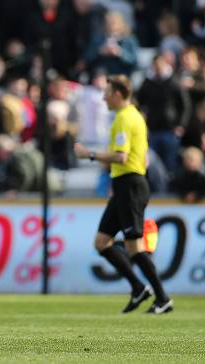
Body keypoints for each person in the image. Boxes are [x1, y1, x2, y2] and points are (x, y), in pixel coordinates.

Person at [74, 75, 173, 314]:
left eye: (106, 92)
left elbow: (121, 156)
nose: (103, 97)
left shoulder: (124, 118)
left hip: (130, 186)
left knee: (134, 247)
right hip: (124, 185)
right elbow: (143, 156)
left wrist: (89, 154)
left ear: (118, 94)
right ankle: (139, 287)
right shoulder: (135, 116)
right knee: (102, 242)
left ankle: (162, 298)